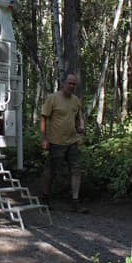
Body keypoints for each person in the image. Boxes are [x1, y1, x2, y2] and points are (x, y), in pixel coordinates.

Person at [40, 73, 88, 213]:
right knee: (51, 171)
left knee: (76, 169)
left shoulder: (75, 100)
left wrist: (79, 127)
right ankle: (45, 198)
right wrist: (44, 138)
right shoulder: (53, 98)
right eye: (70, 83)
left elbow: (78, 118)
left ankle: (75, 201)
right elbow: (43, 118)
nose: (72, 86)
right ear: (64, 83)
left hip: (72, 141)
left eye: (74, 84)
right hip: (56, 142)